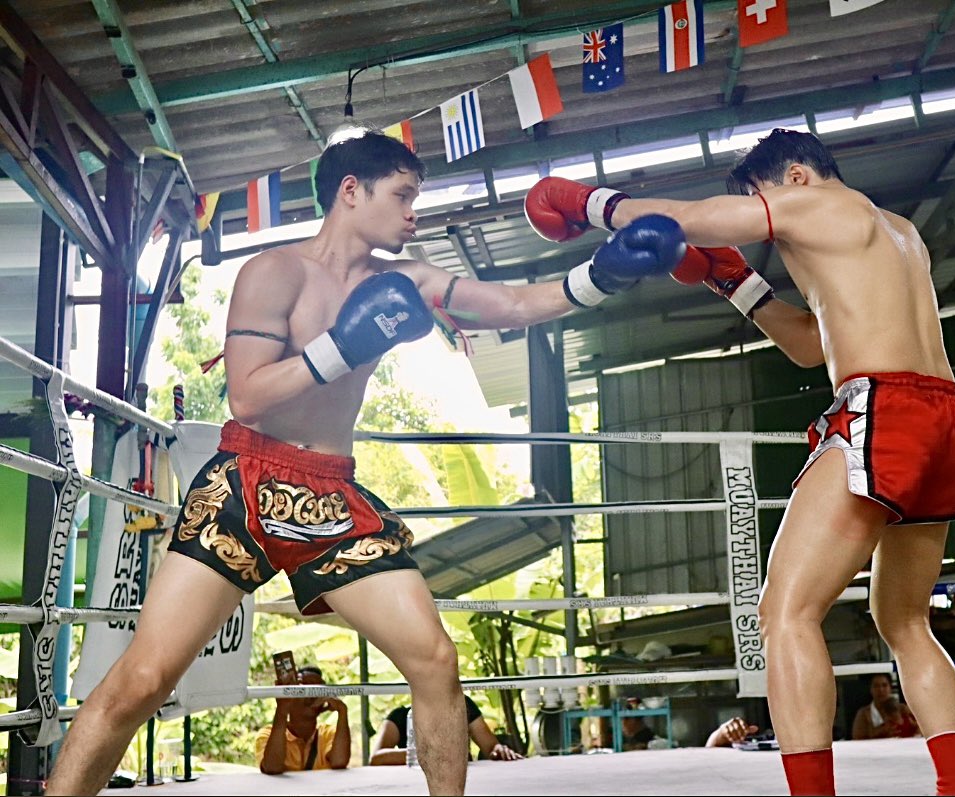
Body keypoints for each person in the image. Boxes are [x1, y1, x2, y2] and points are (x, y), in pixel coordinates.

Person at [44, 128, 690, 797]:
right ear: (352, 192)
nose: (414, 212)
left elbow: (513, 303)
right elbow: (247, 393)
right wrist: (343, 345)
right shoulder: (274, 272)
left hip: (329, 499)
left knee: (435, 659)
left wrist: (599, 276)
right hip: (243, 483)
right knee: (143, 679)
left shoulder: (403, 280)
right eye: (404, 195)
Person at [524, 128, 955, 796]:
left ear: (793, 176)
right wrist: (732, 280)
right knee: (903, 620)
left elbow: (686, 219)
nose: (769, 225)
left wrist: (581, 200)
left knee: (784, 610)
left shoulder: (814, 200)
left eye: (760, 201)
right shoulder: (895, 230)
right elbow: (806, 345)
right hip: (944, 415)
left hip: (884, 406)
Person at [369, 694, 523, 764]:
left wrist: (500, 749)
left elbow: (491, 748)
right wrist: (428, 753)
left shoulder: (463, 705)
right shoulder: (400, 716)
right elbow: (376, 758)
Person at [256, 665, 351, 773]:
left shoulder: (328, 733)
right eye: (306, 689)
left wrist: (342, 711)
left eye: (318, 690)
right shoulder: (266, 735)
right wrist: (282, 709)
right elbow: (272, 768)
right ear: (291, 696)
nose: (312, 696)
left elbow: (339, 762)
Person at [851, 673, 920, 740]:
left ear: (890, 688)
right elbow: (857, 739)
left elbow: (922, 728)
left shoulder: (903, 709)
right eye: (876, 686)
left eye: (884, 685)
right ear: (871, 689)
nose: (881, 690)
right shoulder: (863, 714)